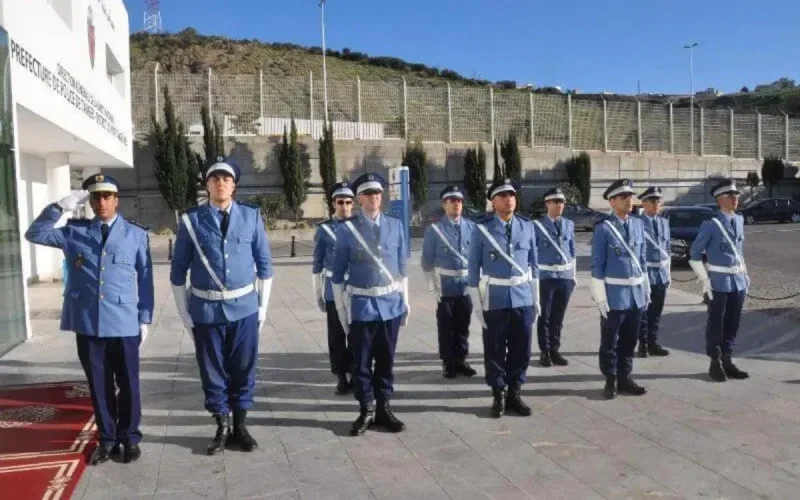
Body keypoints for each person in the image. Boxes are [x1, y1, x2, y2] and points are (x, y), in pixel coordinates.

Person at [25, 174, 154, 465]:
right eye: (96, 197)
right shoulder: (74, 232)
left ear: (116, 199)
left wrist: (144, 317)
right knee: (99, 385)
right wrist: (60, 207)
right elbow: (34, 234)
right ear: (90, 202)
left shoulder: (136, 234)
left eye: (107, 196)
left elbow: (145, 280)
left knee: (129, 384)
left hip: (124, 323)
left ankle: (130, 438)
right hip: (89, 323)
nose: (102, 202)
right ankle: (107, 440)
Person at [170, 156, 273, 454]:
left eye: (226, 179)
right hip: (207, 310)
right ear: (207, 185)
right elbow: (178, 274)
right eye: (215, 179)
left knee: (243, 368)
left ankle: (240, 426)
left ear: (234, 185)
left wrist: (262, 308)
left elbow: (265, 266)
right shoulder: (191, 220)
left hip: (244, 308)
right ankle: (221, 427)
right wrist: (186, 316)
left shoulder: (251, 217)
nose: (220, 183)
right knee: (212, 371)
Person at [330, 173, 409, 436]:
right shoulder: (346, 229)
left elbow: (401, 270)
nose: (374, 198)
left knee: (386, 361)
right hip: (362, 305)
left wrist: (405, 302)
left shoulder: (396, 225)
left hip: (390, 305)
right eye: (368, 194)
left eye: (377, 193)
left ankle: (384, 408)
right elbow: (338, 275)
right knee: (362, 363)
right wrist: (341, 311)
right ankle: (366, 409)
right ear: (360, 198)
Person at [467, 178, 540, 418]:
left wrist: (535, 299)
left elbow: (534, 266)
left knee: (521, 350)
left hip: (523, 299)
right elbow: (473, 269)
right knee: (495, 349)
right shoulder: (482, 229)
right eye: (503, 196)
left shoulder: (527, 226)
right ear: (493, 201)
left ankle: (514, 394)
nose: (509, 199)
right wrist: (477, 304)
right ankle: (498, 393)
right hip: (495, 299)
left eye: (512, 195)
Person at [590, 179, 649, 400]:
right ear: (612, 202)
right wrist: (600, 297)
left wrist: (645, 287)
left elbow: (641, 260)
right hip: (614, 295)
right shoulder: (604, 229)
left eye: (630, 197)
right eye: (623, 197)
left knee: (629, 339)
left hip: (635, 295)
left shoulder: (638, 224)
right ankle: (610, 378)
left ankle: (625, 376)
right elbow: (597, 266)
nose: (629, 201)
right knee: (610, 341)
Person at [688, 179, 750, 382]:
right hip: (719, 282)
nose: (735, 199)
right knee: (716, 324)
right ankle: (714, 362)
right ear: (719, 200)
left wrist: (745, 275)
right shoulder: (712, 224)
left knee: (733, 322)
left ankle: (728, 359)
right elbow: (695, 253)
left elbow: (738, 251)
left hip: (738, 281)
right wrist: (705, 279)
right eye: (730, 196)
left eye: (736, 195)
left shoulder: (739, 220)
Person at [421, 185, 477, 379]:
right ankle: (448, 362)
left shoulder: (471, 227)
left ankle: (461, 359)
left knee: (463, 326)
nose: (456, 204)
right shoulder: (435, 230)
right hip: (444, 286)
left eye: (459, 201)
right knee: (446, 327)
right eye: (452, 201)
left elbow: (477, 259)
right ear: (444, 205)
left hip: (466, 285)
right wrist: (432, 288)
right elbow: (426, 262)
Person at [312, 181, 356, 394]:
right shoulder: (324, 229)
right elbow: (317, 263)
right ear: (333, 204)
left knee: (357, 333)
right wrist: (317, 292)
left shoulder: (361, 226)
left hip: (357, 288)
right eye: (341, 202)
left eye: (349, 202)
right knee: (337, 335)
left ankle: (357, 372)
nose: (345, 206)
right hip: (333, 289)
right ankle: (341, 375)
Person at [533, 187, 577, 367]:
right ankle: (544, 352)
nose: (560, 205)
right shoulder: (536, 225)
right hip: (545, 276)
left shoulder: (569, 224)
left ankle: (555, 350)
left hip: (564, 277)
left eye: (562, 202)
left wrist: (573, 276)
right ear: (547, 204)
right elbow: (532, 253)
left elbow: (572, 250)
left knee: (558, 317)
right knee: (545, 316)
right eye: (556, 202)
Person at [635, 187, 671, 358]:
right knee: (643, 312)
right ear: (644, 203)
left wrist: (668, 273)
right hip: (646, 274)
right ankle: (642, 345)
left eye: (658, 200)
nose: (656, 204)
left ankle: (653, 342)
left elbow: (667, 248)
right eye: (652, 201)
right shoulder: (637, 223)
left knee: (656, 312)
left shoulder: (664, 222)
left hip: (661, 274)